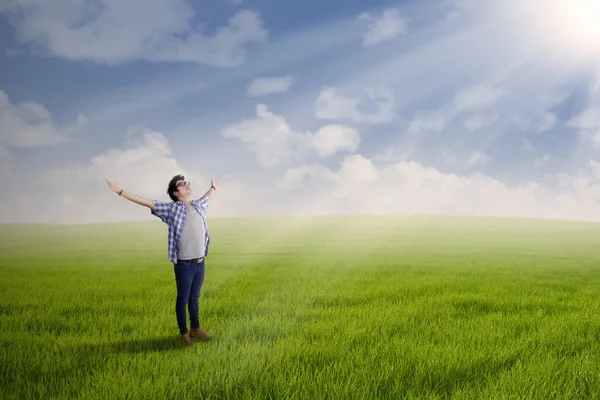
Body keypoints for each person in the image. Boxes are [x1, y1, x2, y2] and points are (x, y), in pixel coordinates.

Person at [104, 175, 219, 346]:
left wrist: (213, 187)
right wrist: (121, 192)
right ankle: (184, 334)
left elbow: (207, 196)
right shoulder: (171, 209)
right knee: (183, 298)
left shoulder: (198, 205)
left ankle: (195, 329)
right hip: (185, 264)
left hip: (200, 262)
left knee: (195, 297)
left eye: (186, 183)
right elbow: (147, 202)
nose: (186, 185)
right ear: (175, 192)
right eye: (182, 184)